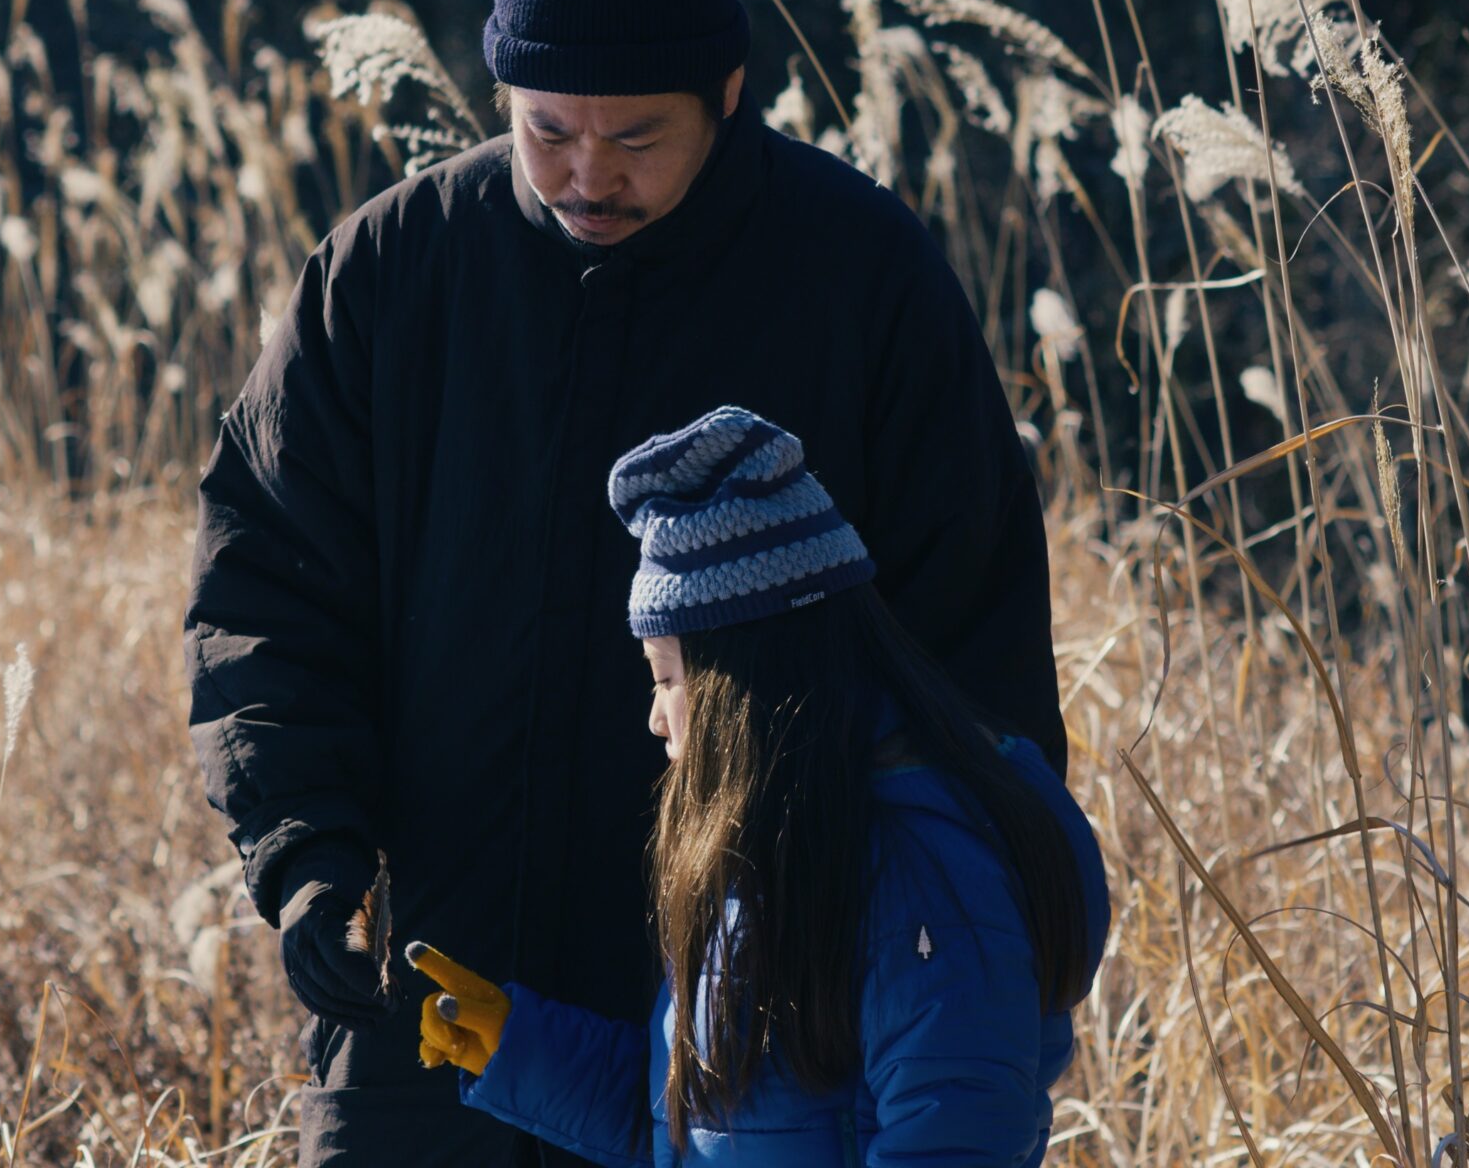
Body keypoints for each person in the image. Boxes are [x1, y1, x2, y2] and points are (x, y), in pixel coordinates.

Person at [183, 0, 1064, 1164]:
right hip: (435, 1012)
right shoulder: (390, 273)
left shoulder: (861, 279)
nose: (588, 175)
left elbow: (967, 657)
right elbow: (265, 590)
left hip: (758, 1033)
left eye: (637, 137)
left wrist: (927, 941)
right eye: (546, 132)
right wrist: (305, 849)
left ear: (729, 93)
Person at [402, 407, 1108, 1167]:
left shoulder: (925, 878)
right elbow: (703, 1130)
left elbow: (956, 1144)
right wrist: (521, 1050)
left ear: (741, 684)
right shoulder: (781, 852)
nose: (654, 717)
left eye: (666, 677)